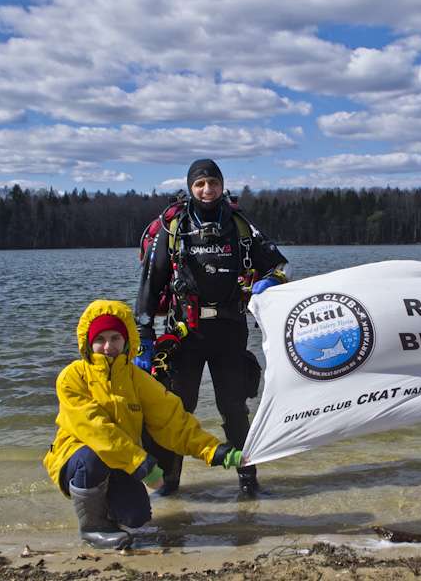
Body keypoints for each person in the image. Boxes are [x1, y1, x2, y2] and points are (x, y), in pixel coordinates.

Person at [134, 158, 289, 497]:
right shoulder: (173, 228)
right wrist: (144, 337)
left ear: (222, 185)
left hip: (230, 331)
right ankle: (169, 484)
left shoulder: (240, 225)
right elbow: (149, 283)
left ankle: (249, 481)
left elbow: (277, 265)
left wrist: (272, 281)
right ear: (190, 187)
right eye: (200, 184)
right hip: (184, 335)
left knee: (234, 408)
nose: (207, 190)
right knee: (176, 409)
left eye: (213, 183)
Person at [43, 300, 242, 550]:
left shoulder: (138, 379)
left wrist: (213, 451)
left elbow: (172, 420)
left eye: (115, 338)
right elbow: (98, 429)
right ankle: (92, 528)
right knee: (91, 457)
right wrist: (142, 465)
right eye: (100, 339)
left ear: (126, 341)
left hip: (122, 459)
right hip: (75, 456)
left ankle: (108, 516)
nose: (108, 346)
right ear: (87, 343)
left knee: (137, 517)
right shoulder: (72, 377)